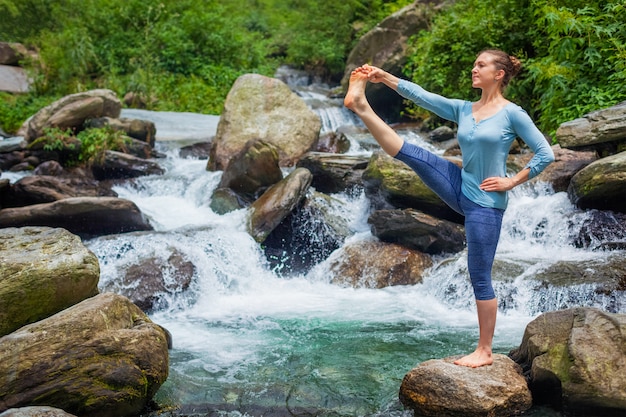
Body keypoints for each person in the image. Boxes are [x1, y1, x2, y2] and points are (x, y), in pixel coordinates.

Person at [344, 49, 555, 368]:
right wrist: (384, 76)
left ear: (498, 74)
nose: (474, 69)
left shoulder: (514, 114)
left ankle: (484, 351)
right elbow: (423, 97)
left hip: (485, 204)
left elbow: (545, 154)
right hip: (459, 185)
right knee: (411, 153)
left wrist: (511, 182)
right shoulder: (465, 109)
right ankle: (361, 106)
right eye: (474, 64)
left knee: (479, 276)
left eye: (480, 65)